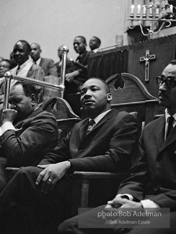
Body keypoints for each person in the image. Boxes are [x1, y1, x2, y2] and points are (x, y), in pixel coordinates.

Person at [0, 77, 138, 233]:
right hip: (69, 185)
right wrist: (43, 170)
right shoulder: (79, 126)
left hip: (95, 186)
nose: (86, 94)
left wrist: (69, 164)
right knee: (22, 210)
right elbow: (54, 155)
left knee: (25, 174)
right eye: (83, 91)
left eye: (94, 89)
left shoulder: (123, 119)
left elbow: (115, 159)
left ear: (109, 96)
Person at [59, 60, 176, 234]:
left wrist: (144, 206)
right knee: (70, 227)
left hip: (167, 210)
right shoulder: (151, 128)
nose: (162, 87)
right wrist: (124, 197)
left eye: (172, 82)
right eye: (161, 80)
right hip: (139, 207)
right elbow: (138, 175)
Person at [0, 81, 58, 191]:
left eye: (17, 101)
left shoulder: (44, 120)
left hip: (26, 180)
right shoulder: (17, 119)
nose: (12, 106)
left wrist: (7, 122)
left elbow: (16, 152)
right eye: (10, 102)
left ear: (33, 99)